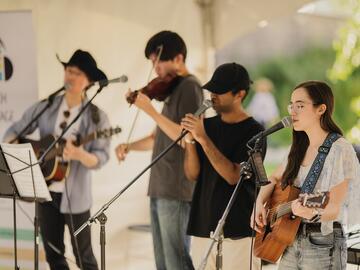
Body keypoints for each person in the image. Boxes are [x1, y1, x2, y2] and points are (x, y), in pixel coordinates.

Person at [3, 49, 111, 270]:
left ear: (89, 81)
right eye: (68, 70)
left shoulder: (97, 117)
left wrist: (81, 155)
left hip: (77, 196)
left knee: (84, 257)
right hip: (45, 192)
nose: (70, 76)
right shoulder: (47, 106)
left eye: (77, 73)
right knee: (53, 255)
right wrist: (19, 149)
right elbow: (15, 129)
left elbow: (102, 158)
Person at [115, 31, 203, 270]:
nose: (155, 68)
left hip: (176, 188)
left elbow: (187, 137)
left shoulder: (190, 87)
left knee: (177, 261)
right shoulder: (171, 89)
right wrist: (129, 146)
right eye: (152, 62)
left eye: (158, 60)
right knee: (163, 263)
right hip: (161, 186)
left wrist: (150, 111)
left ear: (178, 58)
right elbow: (159, 137)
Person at [251, 80, 360, 269]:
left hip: (322, 244)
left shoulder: (340, 149)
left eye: (300, 106)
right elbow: (275, 177)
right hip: (289, 240)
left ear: (321, 109)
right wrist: (260, 202)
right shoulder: (299, 147)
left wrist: (313, 211)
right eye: (291, 105)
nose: (292, 111)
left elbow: (335, 206)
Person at [181, 63, 264, 270]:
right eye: (211, 89)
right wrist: (191, 141)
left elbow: (233, 175)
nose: (213, 95)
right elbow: (193, 174)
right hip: (203, 225)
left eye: (220, 90)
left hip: (238, 231)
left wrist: (202, 139)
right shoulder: (206, 126)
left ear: (240, 94)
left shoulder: (256, 132)